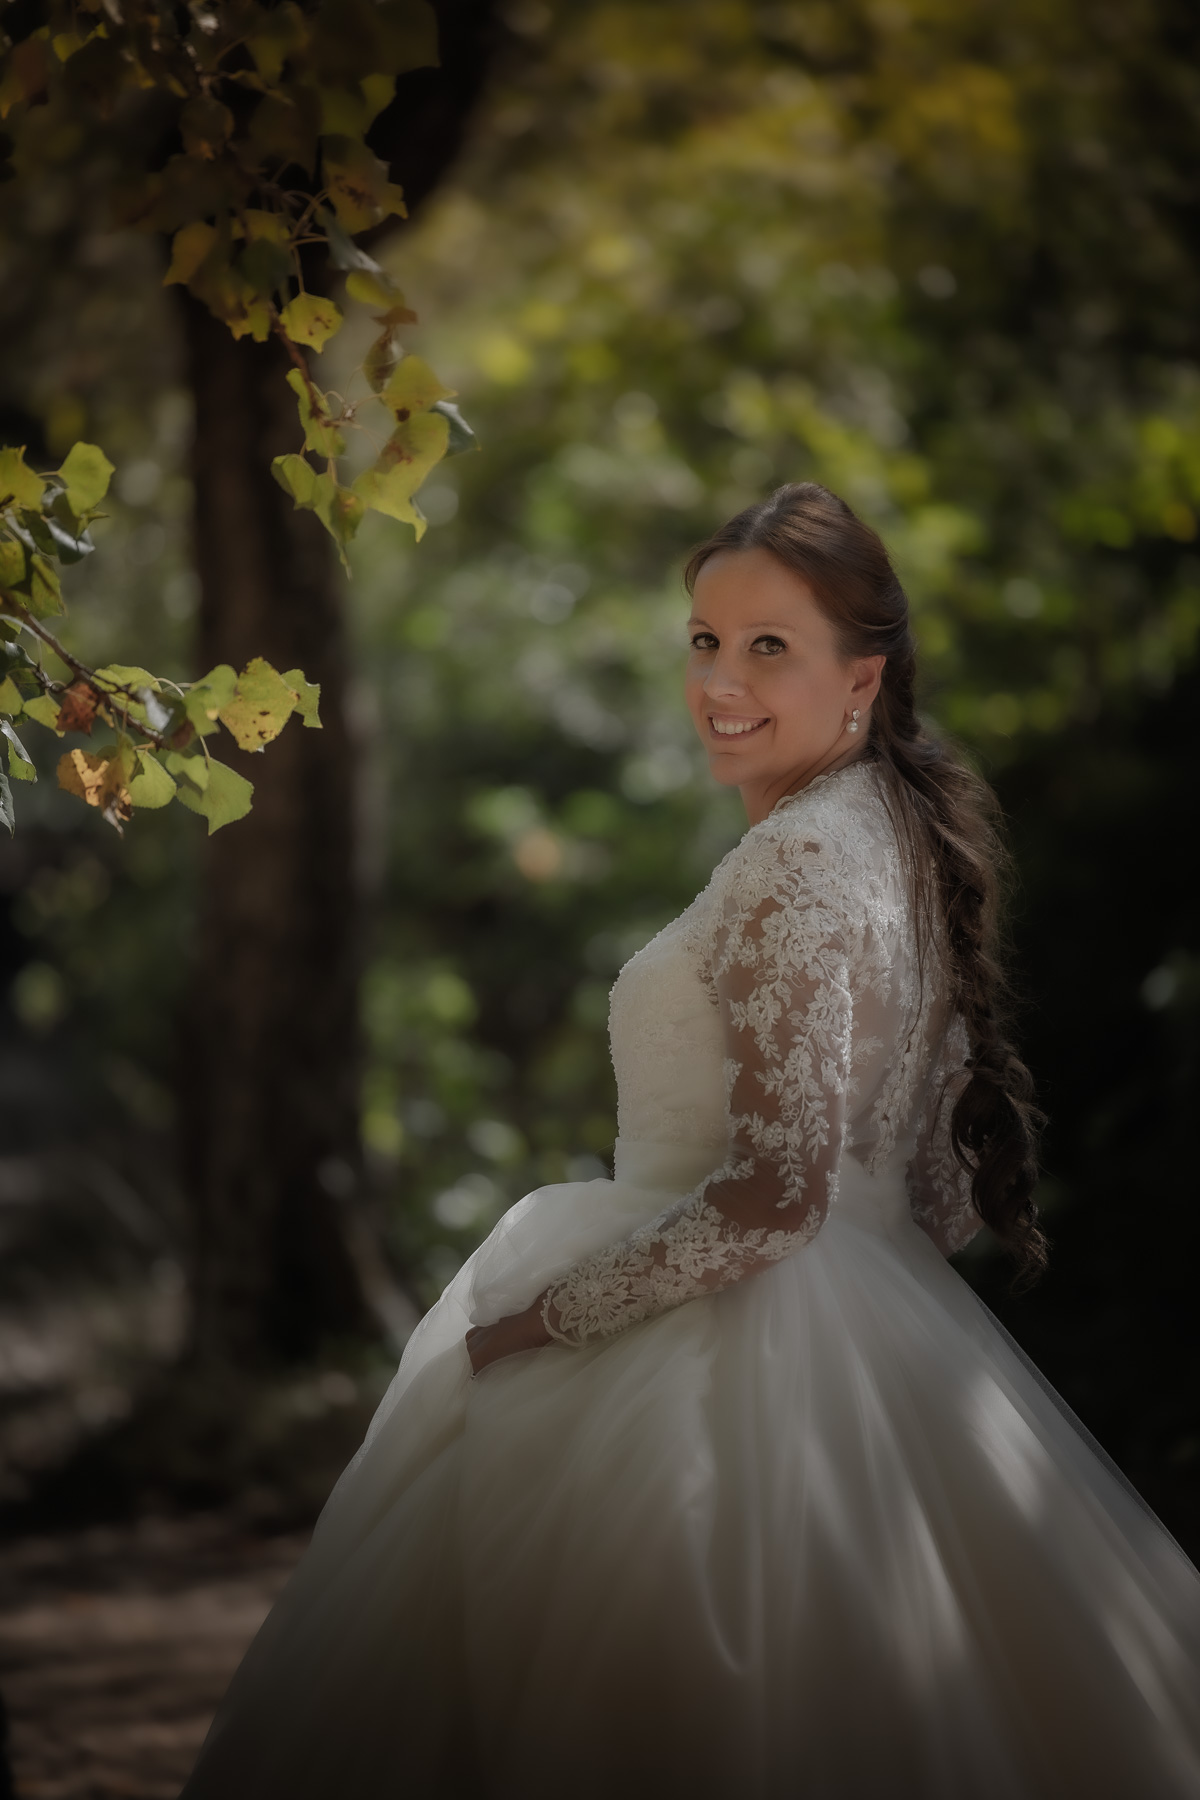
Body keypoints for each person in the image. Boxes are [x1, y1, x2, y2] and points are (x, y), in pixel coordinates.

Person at [181, 483, 1200, 1799]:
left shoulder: (797, 865)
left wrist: (537, 1324)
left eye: (769, 645)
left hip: (724, 1359)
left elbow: (773, 1206)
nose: (720, 679)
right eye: (704, 640)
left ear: (862, 678)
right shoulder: (892, 837)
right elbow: (932, 1201)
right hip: (884, 1332)